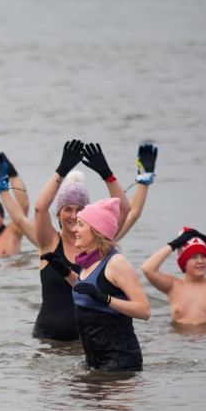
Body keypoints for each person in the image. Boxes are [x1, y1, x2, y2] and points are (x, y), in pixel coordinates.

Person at [23, 140, 136, 341]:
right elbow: (40, 208)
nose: (74, 216)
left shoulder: (98, 242)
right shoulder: (49, 242)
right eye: (68, 209)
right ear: (58, 213)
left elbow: (125, 210)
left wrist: (107, 175)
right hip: (48, 341)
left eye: (80, 209)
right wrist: (62, 170)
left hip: (89, 343)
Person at [43, 197, 150, 371]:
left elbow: (144, 311)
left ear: (96, 231)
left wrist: (106, 299)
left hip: (120, 361)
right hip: (94, 362)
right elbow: (88, 292)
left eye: (81, 224)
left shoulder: (116, 263)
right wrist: (65, 272)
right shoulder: (89, 262)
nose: (75, 229)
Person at [141, 228, 206, 326]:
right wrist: (173, 245)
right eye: (194, 257)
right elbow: (147, 268)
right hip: (180, 344)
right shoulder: (173, 286)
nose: (200, 261)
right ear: (184, 263)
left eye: (204, 256)